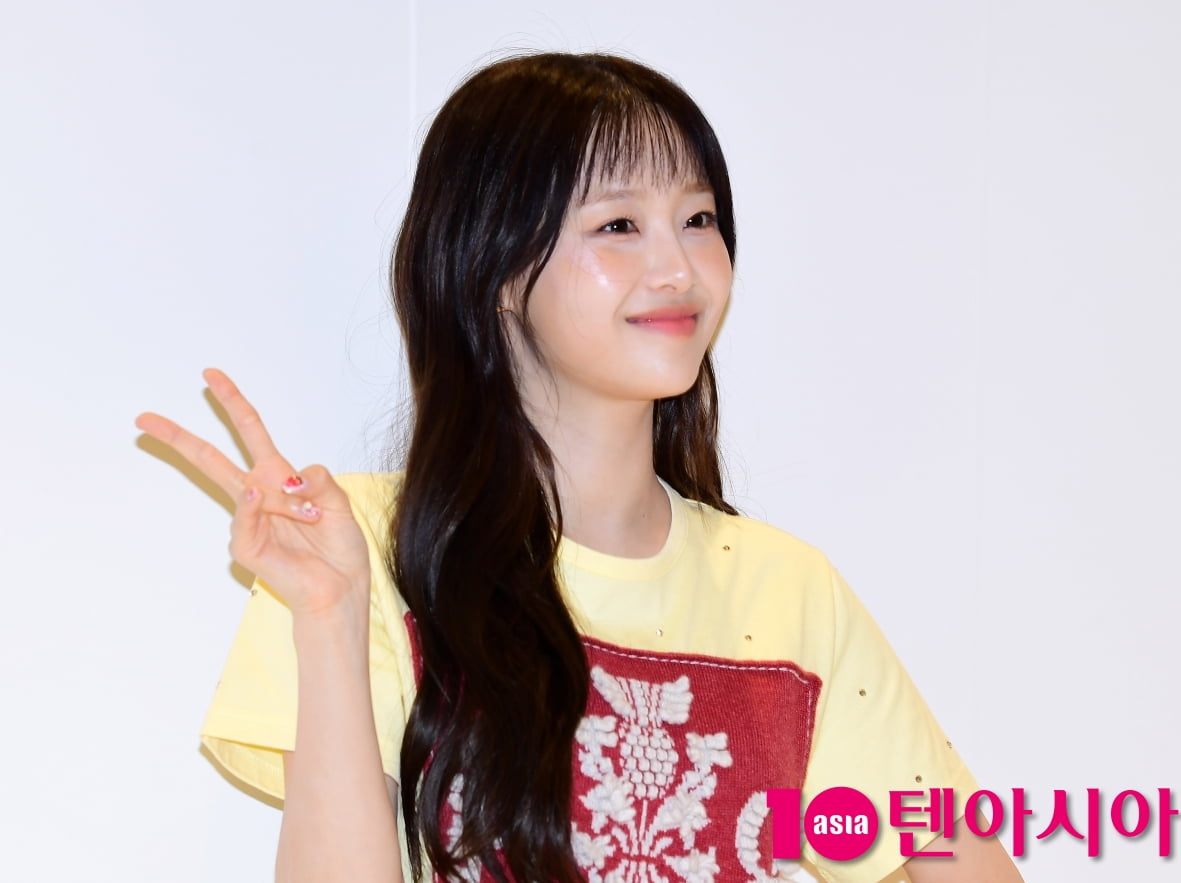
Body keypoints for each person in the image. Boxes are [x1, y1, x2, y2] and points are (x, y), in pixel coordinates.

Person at [137, 53, 1022, 883]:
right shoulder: (359, 552)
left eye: (699, 219)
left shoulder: (788, 590)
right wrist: (329, 617)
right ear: (495, 265)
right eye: (619, 226)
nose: (678, 267)